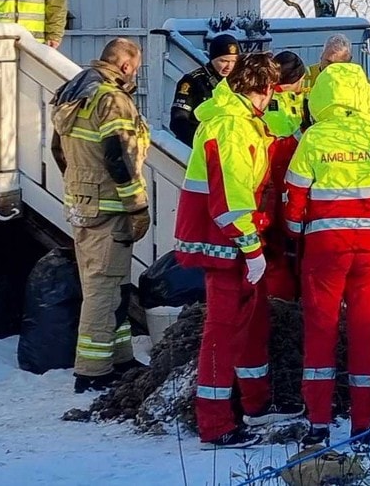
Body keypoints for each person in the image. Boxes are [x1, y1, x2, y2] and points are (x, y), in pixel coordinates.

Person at [174, 53, 303, 449]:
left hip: (234, 242)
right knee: (223, 331)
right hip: (225, 244)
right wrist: (252, 250)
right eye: (272, 93)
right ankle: (215, 425)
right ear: (263, 89)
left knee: (251, 324)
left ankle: (256, 403)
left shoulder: (240, 121)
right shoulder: (231, 128)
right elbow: (230, 203)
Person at [285, 62, 370, 453]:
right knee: (365, 333)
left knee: (321, 332)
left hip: (325, 250)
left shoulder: (314, 136)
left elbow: (294, 199)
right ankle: (362, 424)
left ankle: (318, 424)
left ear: (321, 95)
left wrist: (296, 235)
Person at [50, 38, 150, 393]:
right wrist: (137, 205)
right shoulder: (111, 99)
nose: (134, 75)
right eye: (134, 69)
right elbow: (119, 157)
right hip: (110, 206)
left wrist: (80, 184)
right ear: (124, 66)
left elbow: (58, 149)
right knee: (103, 288)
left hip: (83, 202)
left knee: (116, 285)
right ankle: (93, 370)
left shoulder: (72, 91)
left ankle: (119, 356)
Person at [260, 51, 308, 300]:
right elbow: (283, 141)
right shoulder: (275, 102)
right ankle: (282, 298)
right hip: (280, 181)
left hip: (282, 181)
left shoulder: (280, 98)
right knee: (279, 245)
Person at [305, 33, 370, 130]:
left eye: (340, 64)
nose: (332, 69)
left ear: (350, 61)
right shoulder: (305, 77)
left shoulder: (360, 82)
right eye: (329, 62)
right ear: (321, 55)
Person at [170, 33, 241, 145]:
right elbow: (178, 122)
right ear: (212, 59)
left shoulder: (240, 82)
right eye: (223, 61)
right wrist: (204, 144)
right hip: (201, 145)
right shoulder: (193, 81)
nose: (229, 67)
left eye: (234, 61)